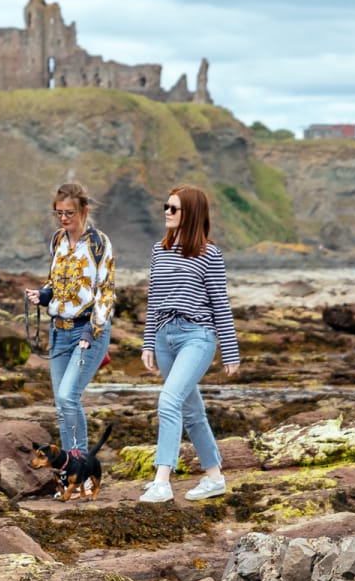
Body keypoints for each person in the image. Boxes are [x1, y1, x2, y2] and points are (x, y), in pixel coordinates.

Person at [138, 185, 240, 503]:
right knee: (191, 411)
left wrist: (230, 350)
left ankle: (162, 481)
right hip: (164, 336)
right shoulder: (160, 250)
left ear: (191, 214)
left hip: (198, 336)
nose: (167, 213)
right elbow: (154, 300)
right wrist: (147, 343)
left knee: (168, 401)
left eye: (174, 208)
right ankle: (214, 478)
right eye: (165, 206)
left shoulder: (210, 254)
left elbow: (220, 305)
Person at [24, 178, 115, 458]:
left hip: (88, 332)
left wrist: (92, 332)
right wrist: (43, 295)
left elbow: (106, 292)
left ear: (84, 211)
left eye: (69, 213)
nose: (63, 218)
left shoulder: (99, 243)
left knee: (68, 397)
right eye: (59, 213)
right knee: (62, 405)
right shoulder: (57, 241)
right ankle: (70, 472)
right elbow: (56, 283)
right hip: (58, 332)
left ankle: (80, 467)